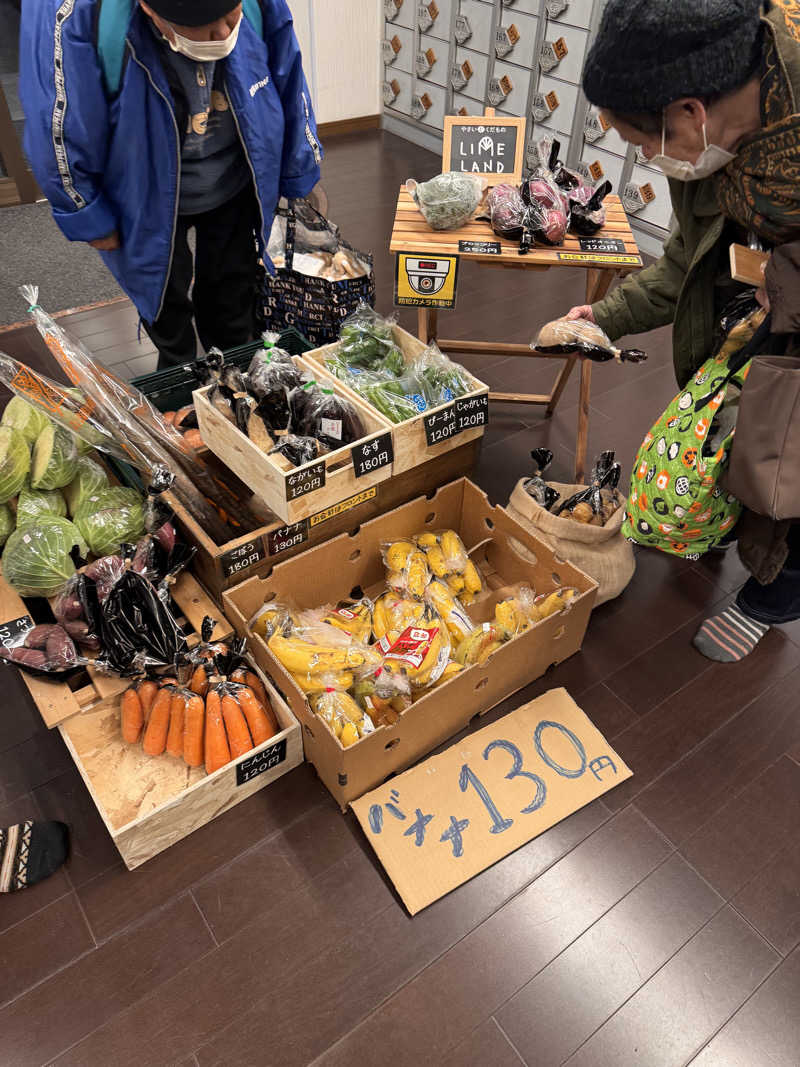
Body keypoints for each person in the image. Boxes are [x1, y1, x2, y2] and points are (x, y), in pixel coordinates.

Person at [564, 0, 800, 662]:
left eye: (643, 142)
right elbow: (684, 262)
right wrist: (602, 315)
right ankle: (725, 517)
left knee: (793, 459)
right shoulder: (715, 147)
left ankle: (777, 594)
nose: (644, 157)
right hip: (754, 314)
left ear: (690, 113)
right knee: (738, 437)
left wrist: (784, 294)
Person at [19, 0, 322, 368]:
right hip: (142, 188)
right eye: (206, 24)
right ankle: (177, 371)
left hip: (235, 172)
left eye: (231, 12)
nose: (227, 31)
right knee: (162, 295)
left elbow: (288, 70)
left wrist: (299, 166)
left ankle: (232, 371)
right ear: (150, 10)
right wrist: (84, 211)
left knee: (233, 288)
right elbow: (55, 122)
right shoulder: (78, 12)